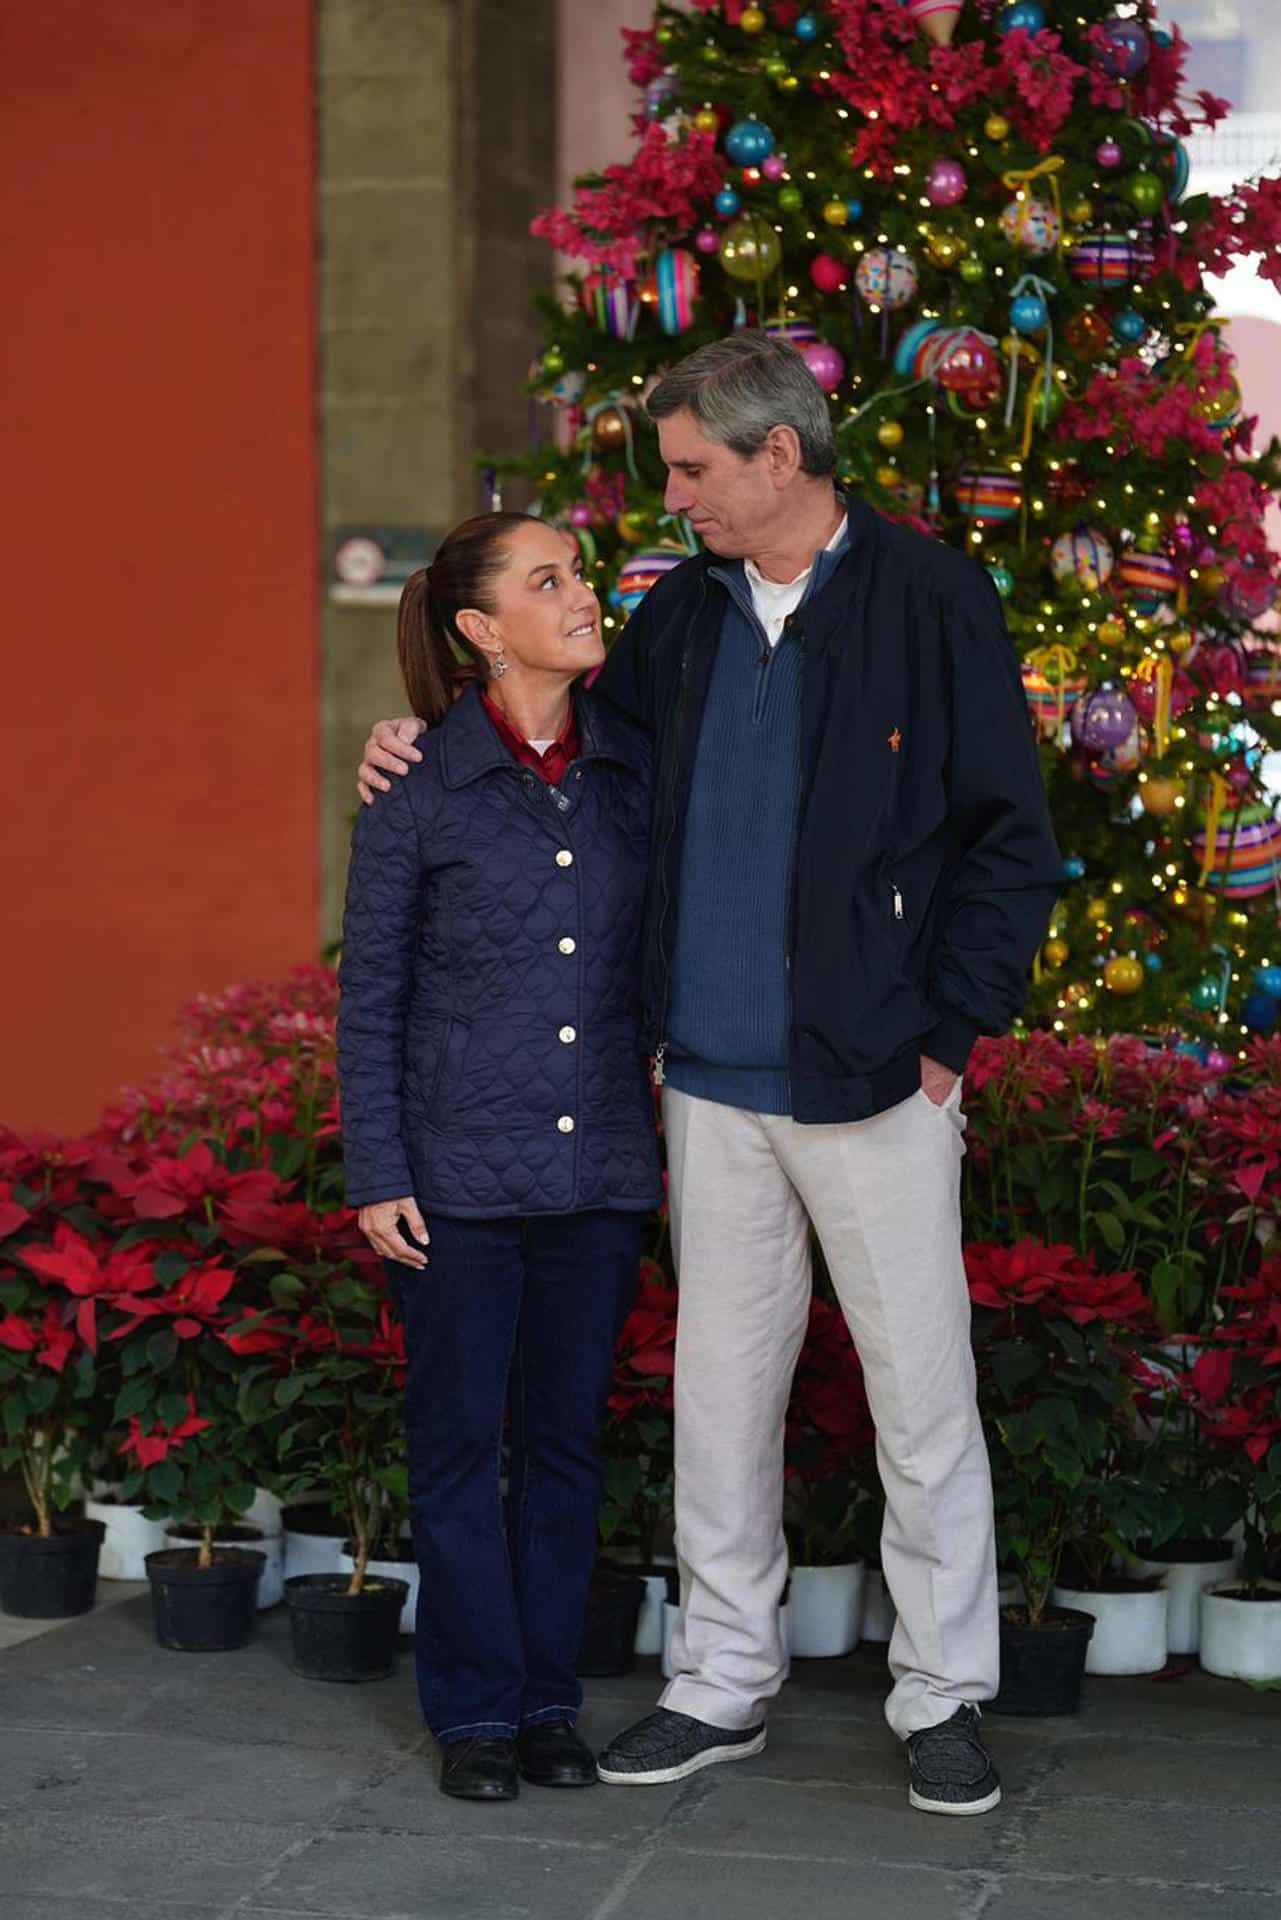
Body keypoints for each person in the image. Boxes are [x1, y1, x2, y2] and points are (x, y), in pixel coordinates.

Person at [356, 334, 1062, 1817]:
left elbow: (1007, 833)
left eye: (688, 470)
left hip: (877, 1083)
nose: (667, 500)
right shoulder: (678, 616)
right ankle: (718, 1683)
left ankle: (940, 1696)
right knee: (715, 1402)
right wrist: (420, 735)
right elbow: (558, 747)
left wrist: (948, 1041)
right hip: (708, 1087)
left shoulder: (930, 597)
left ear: (775, 458)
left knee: (919, 1403)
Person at [338, 511, 662, 1804]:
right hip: (455, 1179)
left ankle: (544, 1705)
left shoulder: (632, 766)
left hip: (597, 1176)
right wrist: (377, 1171)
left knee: (567, 1447)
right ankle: (472, 1713)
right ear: (481, 629)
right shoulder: (414, 785)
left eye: (578, 573)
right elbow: (369, 996)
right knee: (463, 1449)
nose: (581, 595)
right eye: (550, 579)